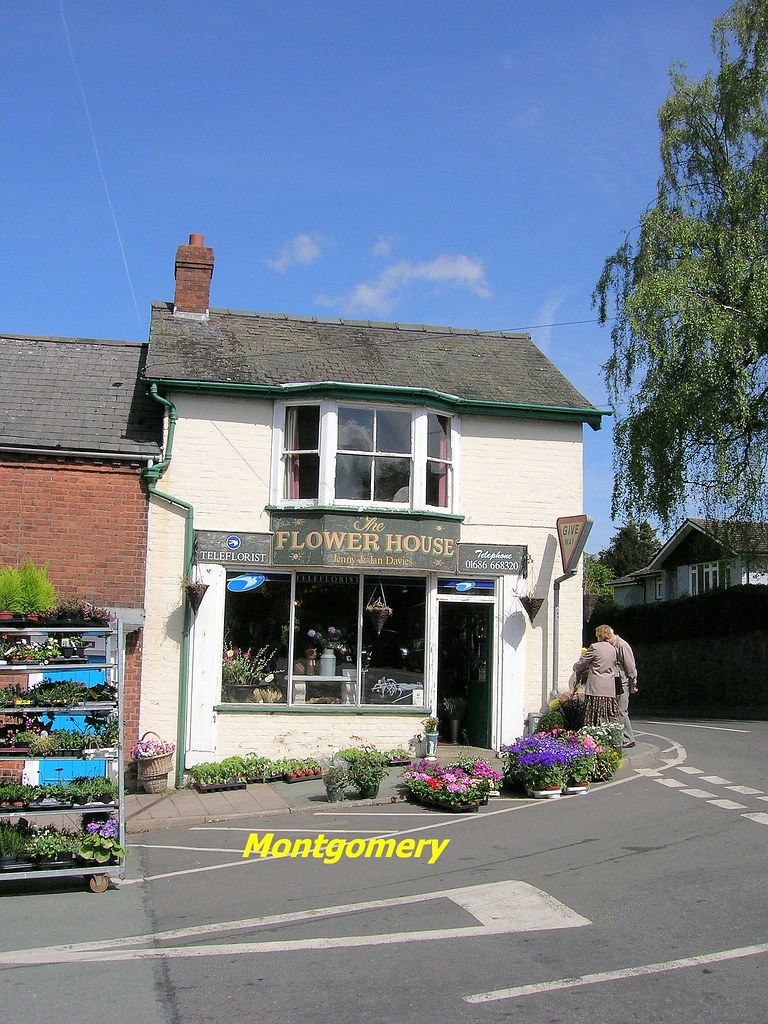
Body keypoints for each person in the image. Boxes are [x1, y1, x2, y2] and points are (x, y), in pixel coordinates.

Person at [572, 625, 620, 727]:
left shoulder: (595, 647)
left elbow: (582, 663)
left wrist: (575, 667)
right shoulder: (613, 649)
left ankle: (592, 733)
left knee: (593, 715)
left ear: (599, 635)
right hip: (609, 688)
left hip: (596, 687)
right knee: (606, 715)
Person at [601, 624, 638, 748]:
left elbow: (630, 666)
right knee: (615, 711)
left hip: (622, 682)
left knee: (622, 711)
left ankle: (628, 738)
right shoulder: (612, 646)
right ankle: (619, 738)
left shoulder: (622, 645)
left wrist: (633, 682)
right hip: (614, 681)